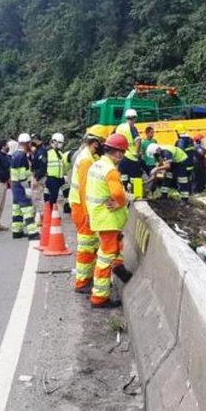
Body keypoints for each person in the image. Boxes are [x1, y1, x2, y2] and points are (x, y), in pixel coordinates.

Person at [86, 134, 133, 309]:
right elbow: (118, 194)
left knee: (115, 245)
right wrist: (122, 202)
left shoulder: (96, 165)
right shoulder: (110, 170)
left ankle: (119, 268)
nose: (122, 157)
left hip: (99, 215)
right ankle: (99, 297)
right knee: (105, 257)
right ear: (119, 153)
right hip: (108, 218)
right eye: (122, 153)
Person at [69, 126, 105, 293]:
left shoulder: (88, 156)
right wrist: (89, 213)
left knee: (90, 244)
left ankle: (86, 278)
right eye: (102, 142)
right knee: (86, 245)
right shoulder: (86, 160)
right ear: (95, 143)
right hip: (82, 207)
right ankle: (82, 282)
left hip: (81, 206)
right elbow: (84, 189)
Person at [11, 133, 39, 240]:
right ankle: (33, 233)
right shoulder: (21, 156)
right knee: (27, 209)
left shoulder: (15, 154)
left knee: (17, 209)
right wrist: (27, 188)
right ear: (27, 143)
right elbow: (22, 175)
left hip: (15, 185)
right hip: (20, 186)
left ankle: (17, 231)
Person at [115, 108, 143, 198]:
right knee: (136, 178)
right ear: (135, 118)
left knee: (123, 176)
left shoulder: (120, 127)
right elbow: (138, 140)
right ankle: (138, 196)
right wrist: (137, 152)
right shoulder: (132, 128)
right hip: (132, 156)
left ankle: (123, 194)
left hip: (122, 155)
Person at [45, 132, 70, 208]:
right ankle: (50, 210)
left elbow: (63, 165)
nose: (60, 145)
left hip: (60, 177)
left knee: (67, 191)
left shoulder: (60, 153)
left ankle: (67, 207)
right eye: (59, 143)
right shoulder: (48, 153)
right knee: (53, 195)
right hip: (52, 178)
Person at [30, 133, 48, 222]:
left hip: (40, 177)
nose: (32, 142)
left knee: (38, 198)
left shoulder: (42, 151)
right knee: (36, 197)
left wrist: (37, 179)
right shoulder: (37, 150)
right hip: (37, 175)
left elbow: (42, 167)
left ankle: (42, 217)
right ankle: (38, 216)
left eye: (33, 140)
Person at [175, 125, 196, 196]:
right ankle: (191, 192)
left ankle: (182, 193)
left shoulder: (181, 141)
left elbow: (179, 153)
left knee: (182, 180)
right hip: (191, 163)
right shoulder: (190, 140)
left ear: (178, 132)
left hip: (183, 164)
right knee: (190, 179)